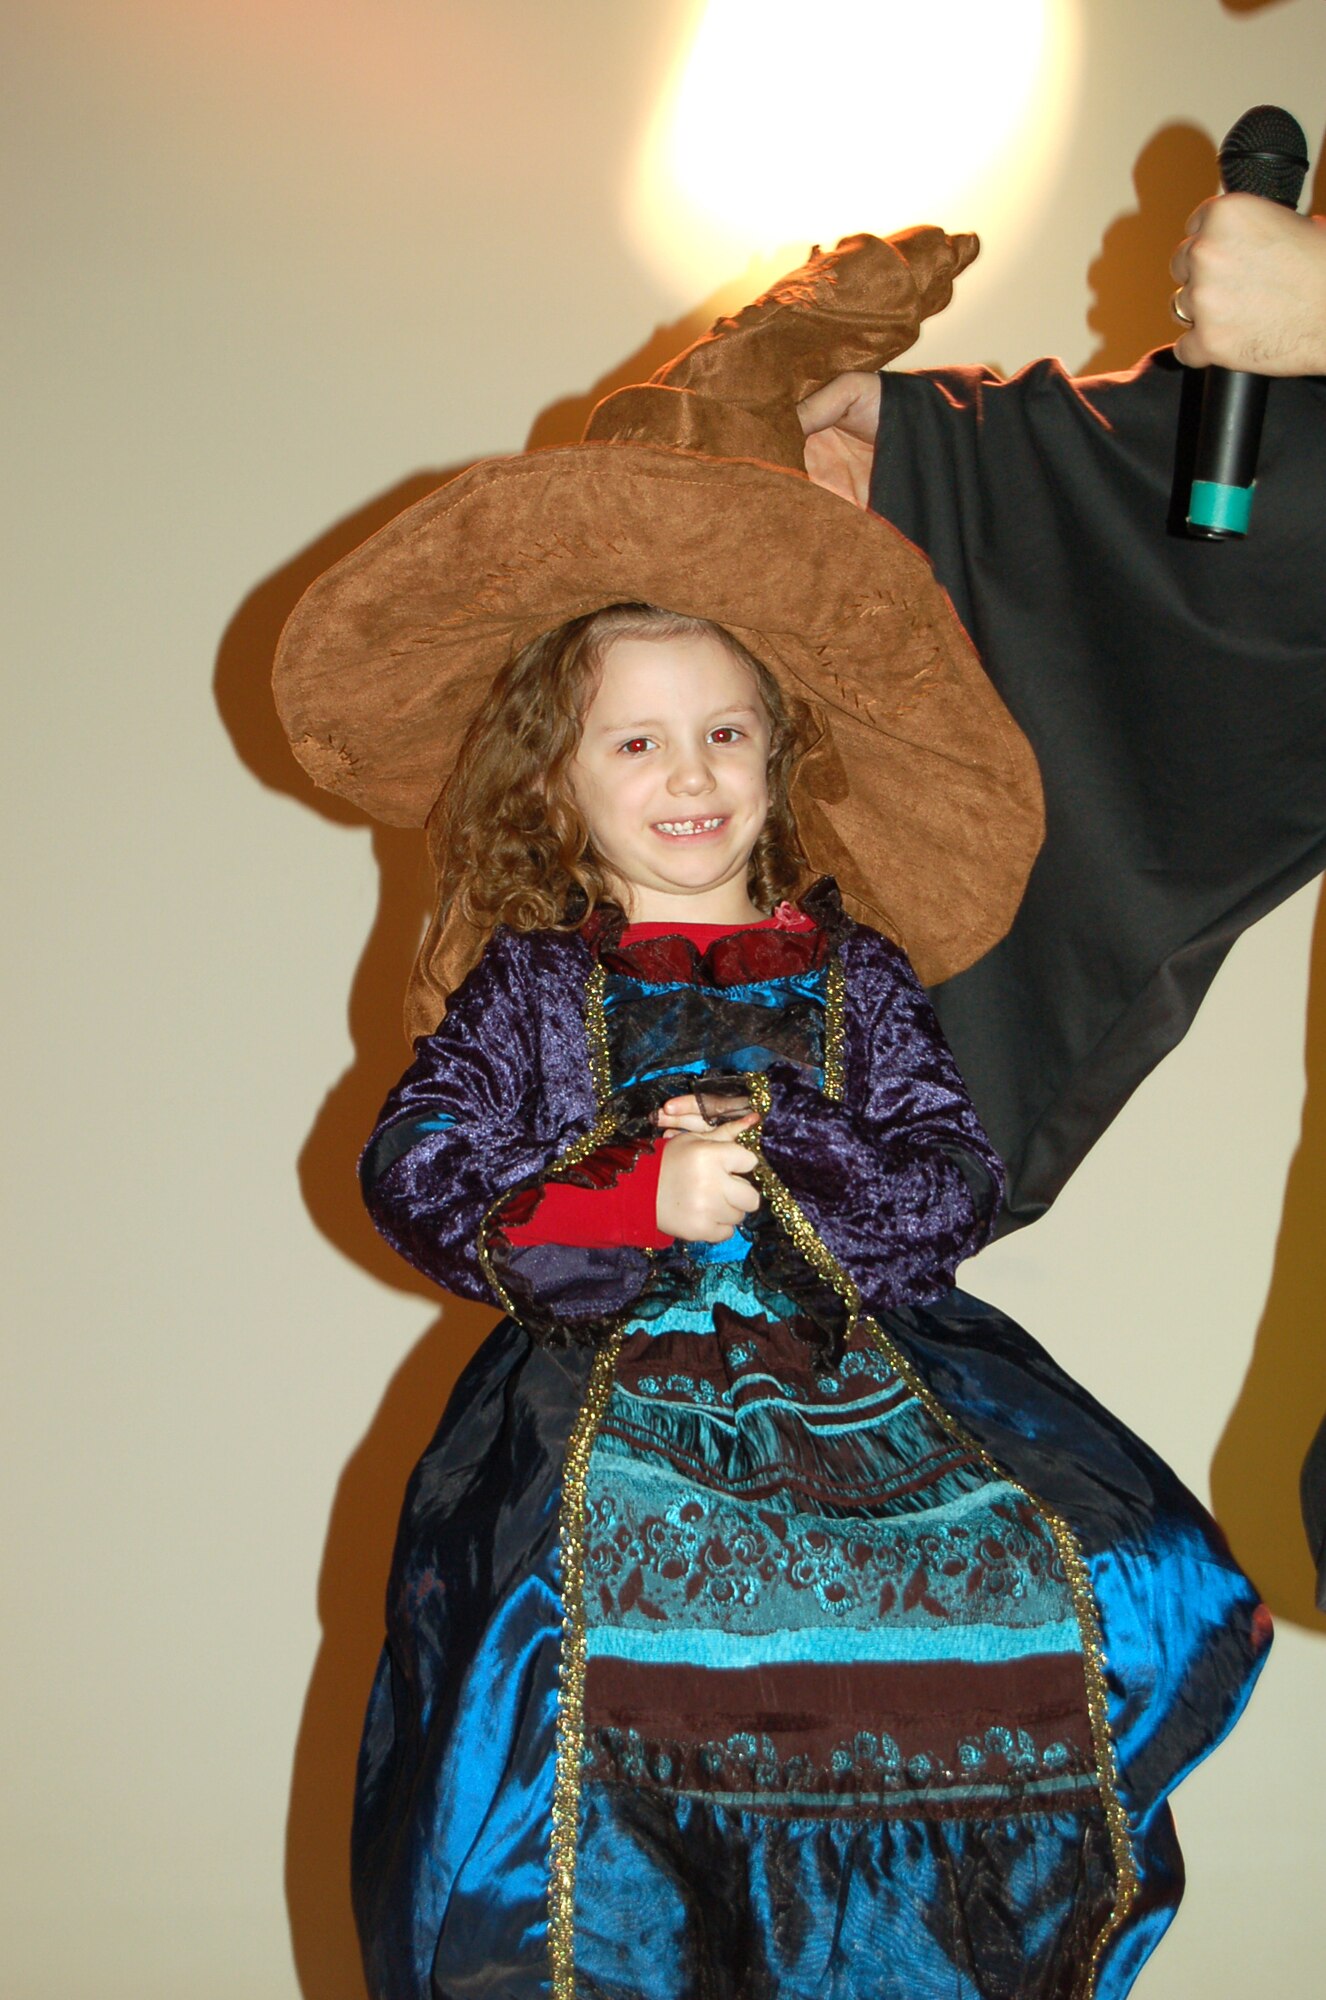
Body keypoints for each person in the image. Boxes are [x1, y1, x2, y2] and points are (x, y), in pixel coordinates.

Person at [274, 232, 1267, 2000]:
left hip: (864, 1382)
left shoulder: (858, 974)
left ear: (779, 758)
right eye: (638, 745)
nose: (691, 778)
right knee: (549, 1677)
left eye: (725, 735)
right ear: (558, 786)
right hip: (608, 1401)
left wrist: (795, 1163)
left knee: (1119, 1574)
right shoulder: (529, 985)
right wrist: (621, 1208)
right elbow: (418, 1170)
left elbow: (948, 1177)